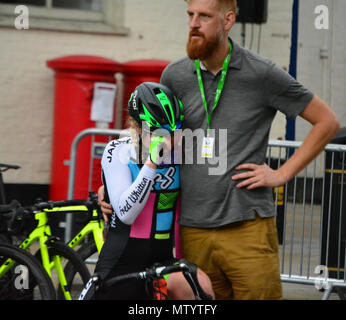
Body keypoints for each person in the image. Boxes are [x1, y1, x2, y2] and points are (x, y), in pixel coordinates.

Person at [100, 0, 340, 300]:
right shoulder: (174, 75)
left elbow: (327, 122)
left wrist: (282, 173)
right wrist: (111, 186)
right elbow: (149, 140)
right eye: (190, 15)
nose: (193, 24)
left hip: (246, 226)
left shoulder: (261, 73)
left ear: (227, 20)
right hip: (192, 229)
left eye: (204, 16)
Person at [84, 82, 214, 300]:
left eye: (175, 132)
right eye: (159, 133)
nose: (169, 141)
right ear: (137, 126)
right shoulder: (118, 150)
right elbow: (126, 213)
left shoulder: (181, 154)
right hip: (121, 261)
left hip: (162, 258)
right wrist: (152, 162)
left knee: (201, 289)